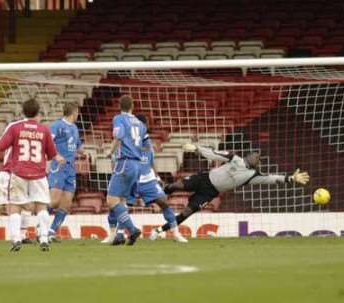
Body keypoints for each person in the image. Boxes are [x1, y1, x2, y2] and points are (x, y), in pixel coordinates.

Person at [150, 144, 310, 239]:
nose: (255, 156)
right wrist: (196, 148)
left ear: (257, 164)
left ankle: (159, 231)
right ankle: (153, 194)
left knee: (186, 212)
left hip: (210, 193)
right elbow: (214, 153)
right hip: (204, 178)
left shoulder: (252, 176)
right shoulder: (235, 158)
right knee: (174, 186)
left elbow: (271, 178)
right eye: (254, 154)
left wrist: (291, 178)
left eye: (258, 158)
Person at [0, 98, 65, 252]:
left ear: (23, 112)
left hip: (19, 173)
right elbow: (51, 154)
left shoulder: (15, 128)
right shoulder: (44, 129)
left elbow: (0, 148)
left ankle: (16, 238)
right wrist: (58, 158)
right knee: (41, 206)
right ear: (38, 112)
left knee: (15, 207)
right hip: (38, 173)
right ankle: (44, 238)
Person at [101, 114, 187, 244]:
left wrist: (157, 176)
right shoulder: (125, 143)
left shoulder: (147, 142)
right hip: (131, 179)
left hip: (147, 180)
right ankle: (115, 234)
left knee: (164, 202)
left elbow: (151, 161)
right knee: (117, 206)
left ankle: (176, 233)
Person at [105, 95, 146, 246]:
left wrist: (110, 152)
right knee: (122, 200)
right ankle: (120, 235)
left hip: (124, 162)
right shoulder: (141, 124)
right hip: (136, 164)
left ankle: (132, 229)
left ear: (119, 106)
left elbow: (119, 137)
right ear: (132, 106)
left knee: (111, 199)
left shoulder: (119, 119)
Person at [47, 102, 84, 242]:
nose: (78, 115)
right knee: (55, 201)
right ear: (73, 112)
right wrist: (56, 155)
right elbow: (48, 143)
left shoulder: (74, 128)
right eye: (77, 112)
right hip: (59, 167)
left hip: (70, 169)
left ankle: (51, 232)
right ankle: (41, 226)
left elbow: (76, 145)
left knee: (66, 203)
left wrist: (84, 152)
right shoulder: (57, 125)